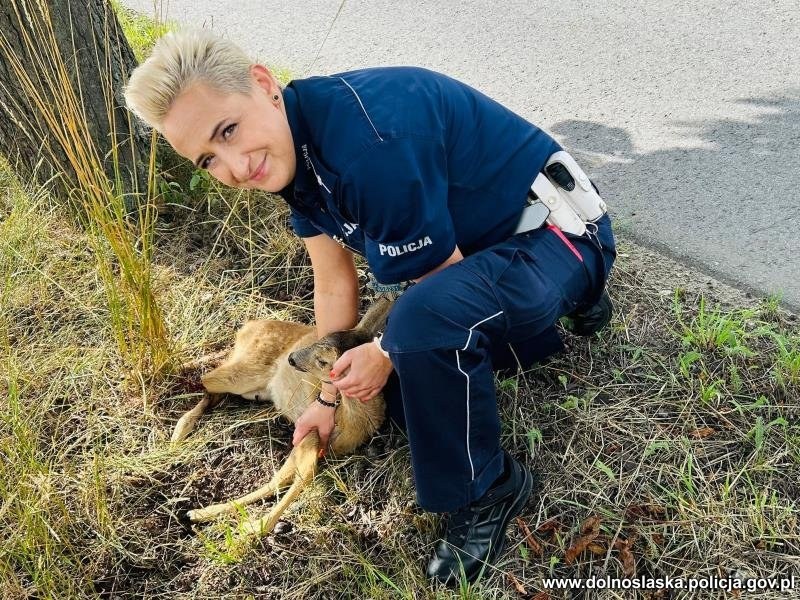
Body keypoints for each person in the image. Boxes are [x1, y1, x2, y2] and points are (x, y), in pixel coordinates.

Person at [125, 29, 616, 584]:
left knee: (418, 326)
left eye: (229, 130)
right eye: (209, 158)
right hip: (489, 246)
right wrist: (328, 397)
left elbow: (439, 287)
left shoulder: (366, 144)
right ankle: (545, 328)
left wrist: (385, 348)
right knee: (409, 384)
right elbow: (332, 281)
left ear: (262, 84)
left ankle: (489, 487)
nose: (236, 167)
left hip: (562, 234)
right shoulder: (295, 141)